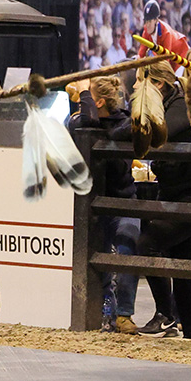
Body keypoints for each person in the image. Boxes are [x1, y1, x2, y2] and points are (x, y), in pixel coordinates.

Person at [128, 61, 191, 339]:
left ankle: (166, 315)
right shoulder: (168, 104)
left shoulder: (180, 106)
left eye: (140, 81)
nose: (135, 87)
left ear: (157, 84)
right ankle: (190, 331)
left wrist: (135, 122)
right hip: (176, 193)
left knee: (147, 244)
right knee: (182, 259)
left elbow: (155, 134)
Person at [67, 75, 140, 335]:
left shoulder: (126, 122)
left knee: (127, 247)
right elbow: (82, 123)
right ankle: (104, 311)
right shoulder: (81, 120)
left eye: (87, 96)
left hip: (123, 199)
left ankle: (124, 314)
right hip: (93, 204)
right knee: (97, 257)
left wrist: (84, 93)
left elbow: (107, 134)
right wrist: (85, 97)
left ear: (97, 102)